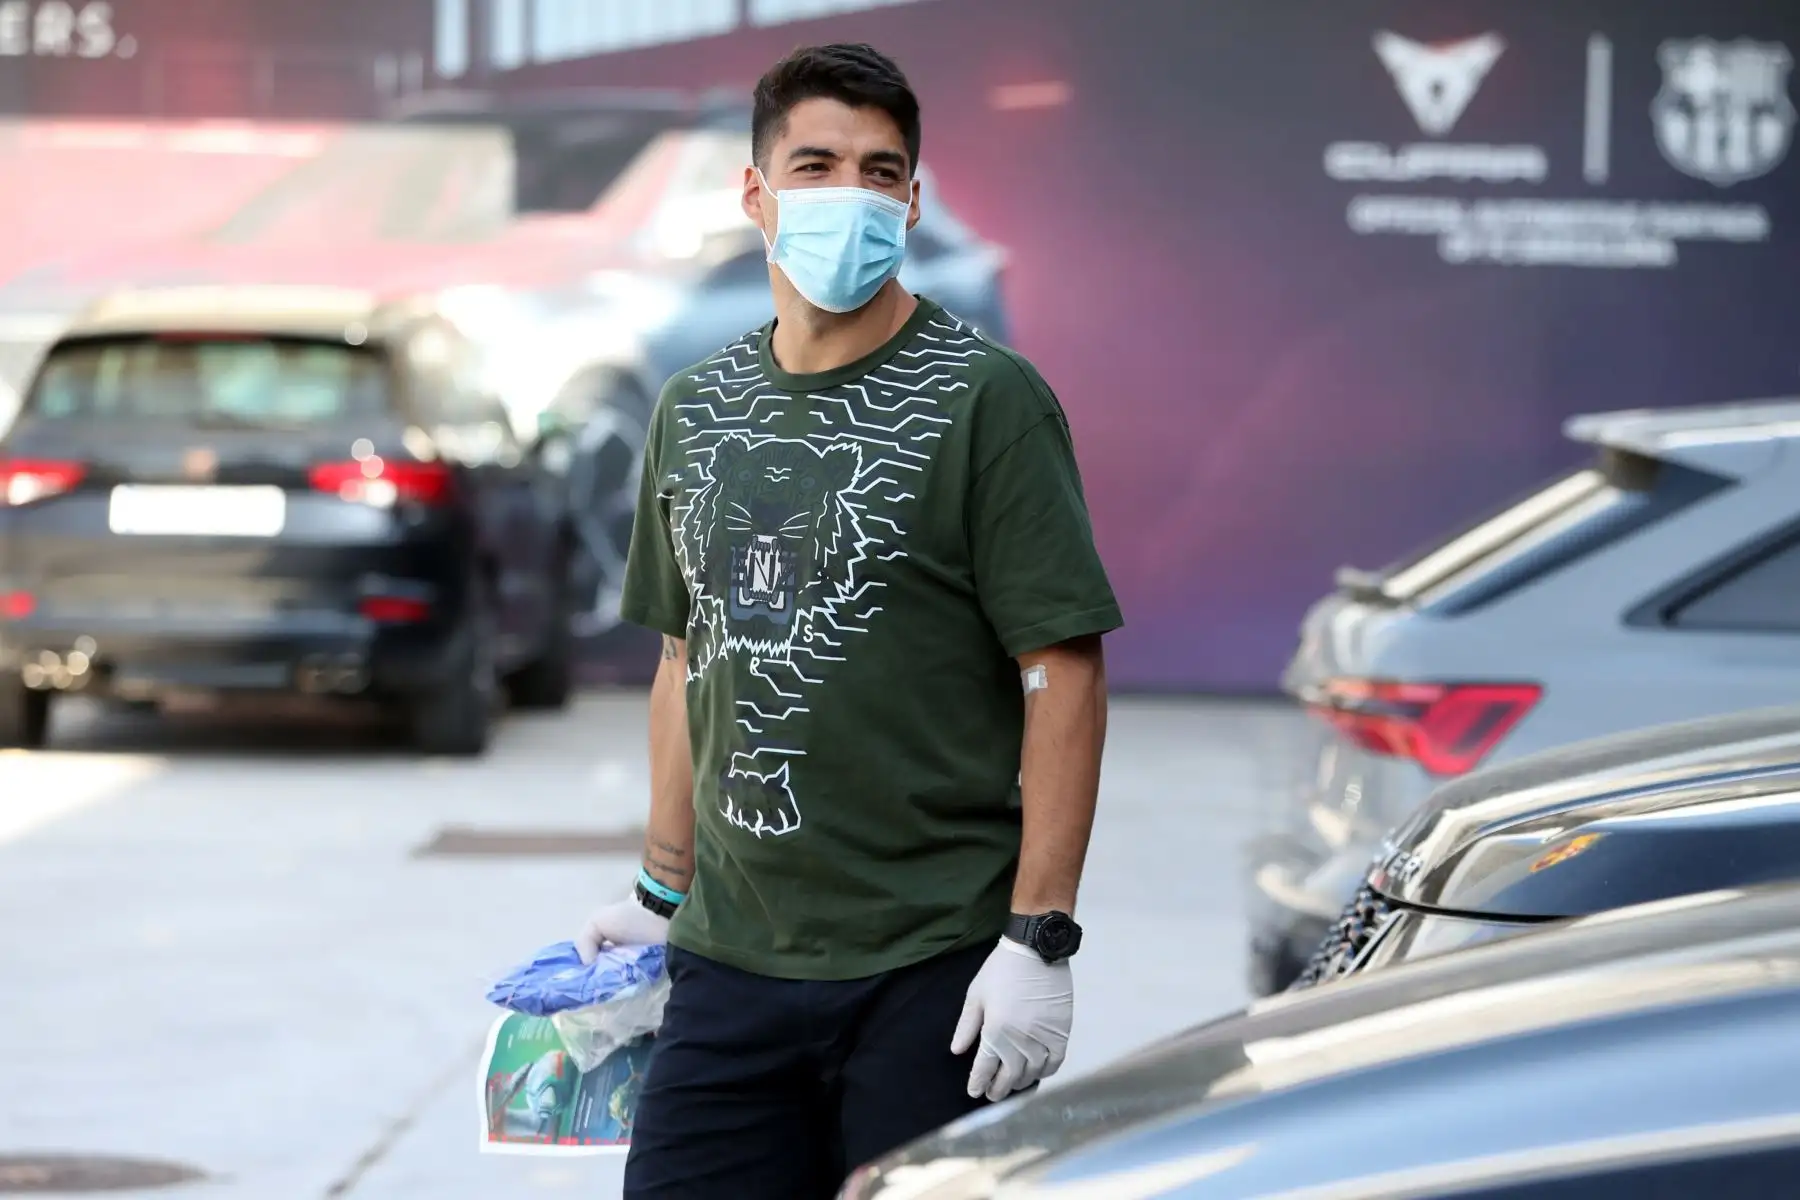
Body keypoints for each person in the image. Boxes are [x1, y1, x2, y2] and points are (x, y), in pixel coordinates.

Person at [575, 41, 1122, 1200]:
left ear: (913, 203)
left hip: (931, 970)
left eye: (881, 172)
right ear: (755, 193)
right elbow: (683, 660)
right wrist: (659, 891)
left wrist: (1039, 938)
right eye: (816, 166)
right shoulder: (693, 408)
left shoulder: (990, 401)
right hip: (729, 964)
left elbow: (1061, 671)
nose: (851, 196)